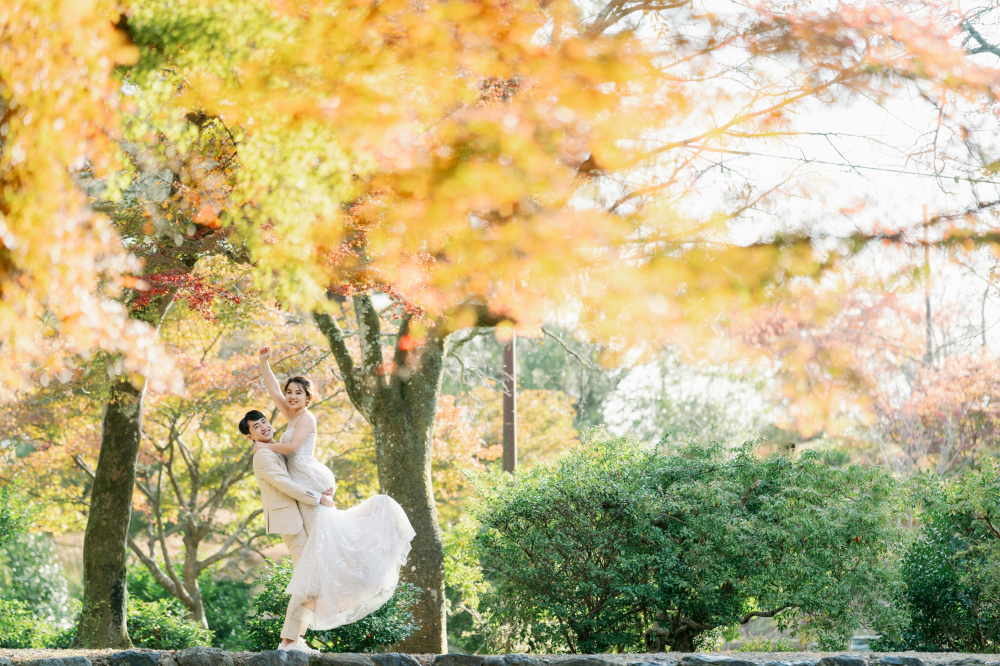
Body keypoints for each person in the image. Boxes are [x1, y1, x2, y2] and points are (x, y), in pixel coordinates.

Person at [253, 347, 416, 637]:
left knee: (319, 555)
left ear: (308, 397)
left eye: (298, 393)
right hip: (306, 488)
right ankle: (293, 637)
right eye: (290, 392)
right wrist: (264, 362)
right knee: (314, 561)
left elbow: (290, 449)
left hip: (310, 484)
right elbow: (273, 389)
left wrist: (264, 446)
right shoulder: (289, 414)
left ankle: (293, 636)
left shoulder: (306, 419)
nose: (291, 396)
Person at [240, 410, 331, 653]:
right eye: (256, 428)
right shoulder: (263, 457)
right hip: (290, 521)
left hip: (300, 516)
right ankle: (288, 641)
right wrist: (318, 497)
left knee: (312, 579)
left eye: (264, 422)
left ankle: (295, 638)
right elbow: (286, 484)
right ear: (251, 437)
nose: (264, 427)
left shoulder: (274, 449)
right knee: (307, 578)